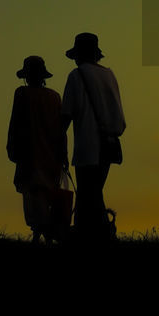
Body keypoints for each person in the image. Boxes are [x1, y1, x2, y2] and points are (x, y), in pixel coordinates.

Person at [61, 32, 126, 240]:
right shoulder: (110, 75)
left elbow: (66, 114)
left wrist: (56, 142)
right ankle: (96, 234)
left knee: (88, 195)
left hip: (87, 146)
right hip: (108, 145)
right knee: (93, 193)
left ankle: (96, 235)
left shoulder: (76, 76)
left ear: (78, 54)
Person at [6, 56, 69, 243]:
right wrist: (63, 154)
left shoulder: (22, 94)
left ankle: (41, 233)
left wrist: (12, 149)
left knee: (34, 196)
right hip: (52, 155)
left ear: (27, 76)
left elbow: (15, 125)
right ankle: (46, 234)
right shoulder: (54, 97)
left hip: (30, 155)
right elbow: (61, 130)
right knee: (49, 195)